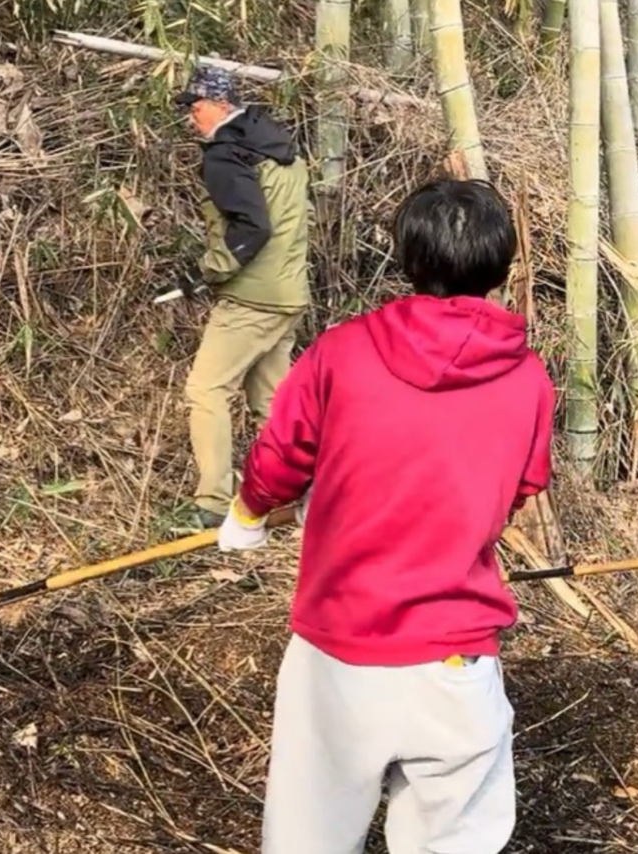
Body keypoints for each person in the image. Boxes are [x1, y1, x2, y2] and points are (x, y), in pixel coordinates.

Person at [215, 179, 555, 854]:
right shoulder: (529, 378)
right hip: (455, 662)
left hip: (339, 651)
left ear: (408, 257)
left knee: (307, 840)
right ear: (500, 265)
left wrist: (247, 514)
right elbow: (522, 486)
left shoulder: (342, 351)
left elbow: (280, 457)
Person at [172, 65, 311, 528]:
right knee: (271, 402)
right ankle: (295, 491)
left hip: (253, 298)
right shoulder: (278, 145)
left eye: (196, 107)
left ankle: (212, 502)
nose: (192, 117)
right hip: (288, 291)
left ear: (220, 105)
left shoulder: (226, 155)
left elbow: (252, 227)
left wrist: (205, 273)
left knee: (206, 390)